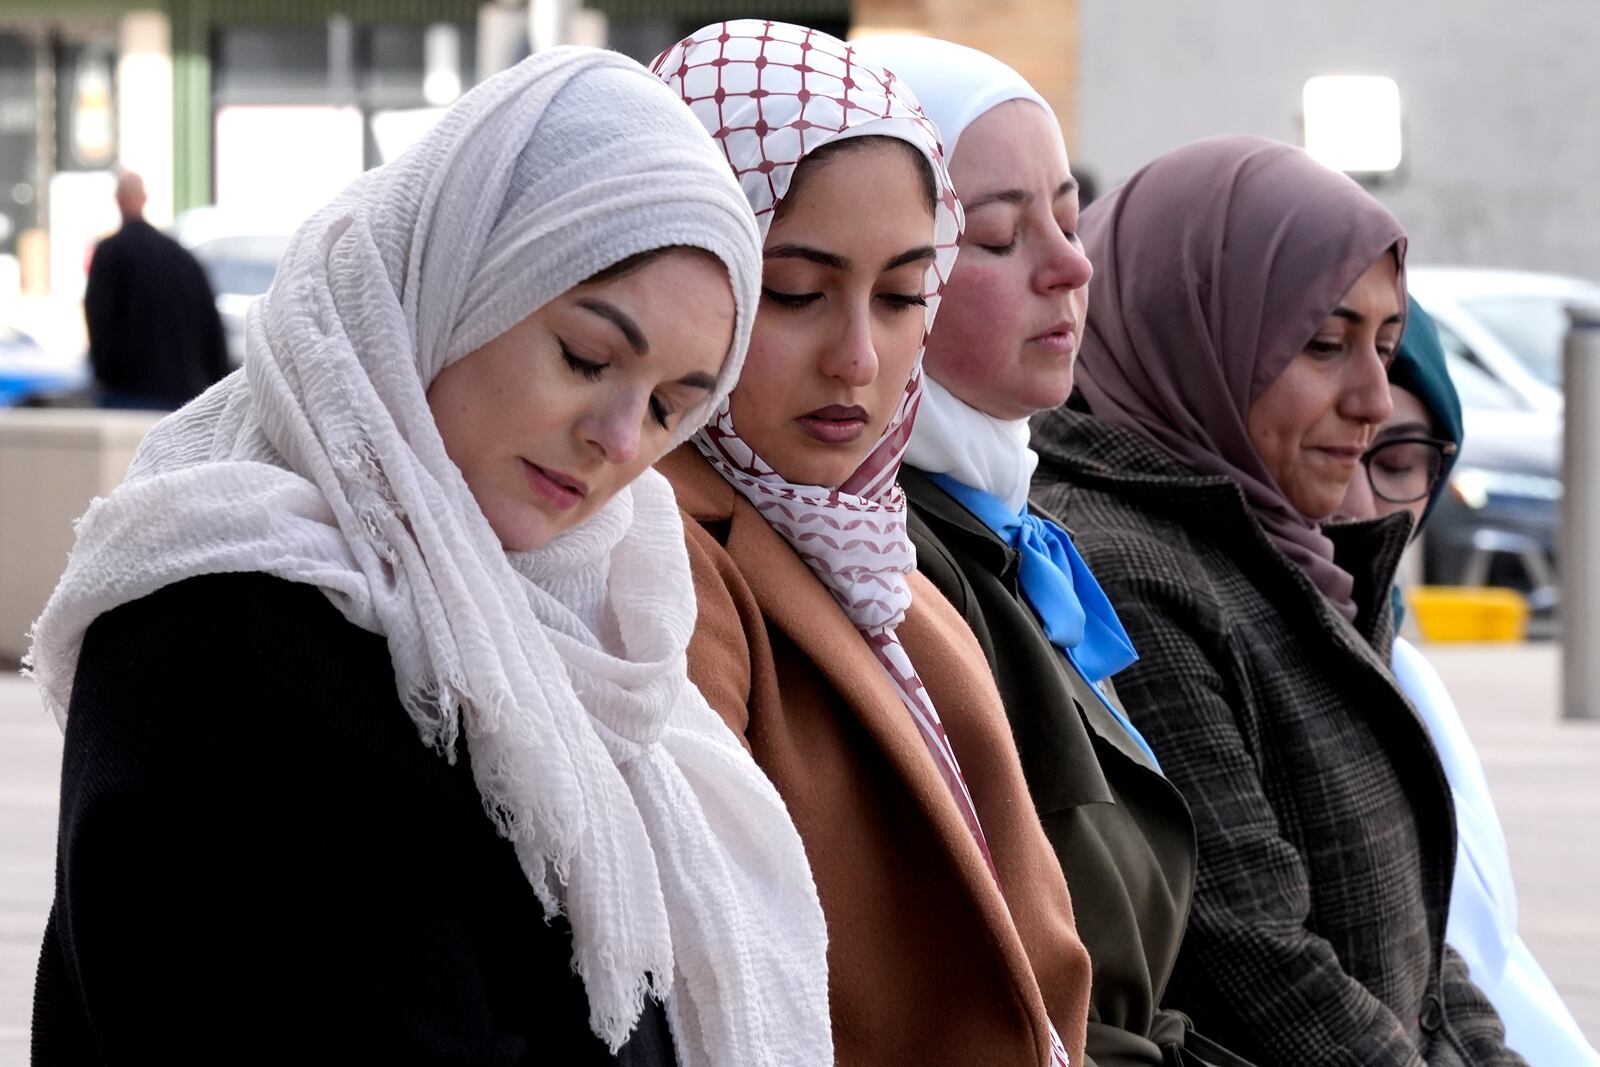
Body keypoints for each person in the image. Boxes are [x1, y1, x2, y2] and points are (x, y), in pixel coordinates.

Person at [27, 48, 831, 1065]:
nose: (623, 439)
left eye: (675, 403)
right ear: (453, 282)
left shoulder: (596, 626)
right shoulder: (227, 634)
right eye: (587, 356)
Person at [1030, 135, 1526, 1066]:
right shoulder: (1127, 572)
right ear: (1193, 332)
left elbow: (1417, 947)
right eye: (1325, 345)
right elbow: (1257, 962)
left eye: (1385, 346)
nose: (1375, 399)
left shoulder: (1294, 549)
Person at [653, 21, 1092, 1067]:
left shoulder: (863, 542)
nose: (858, 357)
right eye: (796, 293)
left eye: (904, 296)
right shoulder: (661, 556)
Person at [852, 36, 1255, 1067]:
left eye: (1069, 217)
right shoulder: (878, 552)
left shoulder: (1007, 524)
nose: (1072, 264)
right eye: (995, 237)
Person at [1338, 299, 1600, 1067]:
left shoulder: (1397, 662)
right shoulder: (1171, 617)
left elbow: (1467, 957)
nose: (1357, 503)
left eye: (1395, 464)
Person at [83, 170, 229, 409]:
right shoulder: (181, 258)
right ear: (144, 198)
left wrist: (105, 375)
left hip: (127, 393)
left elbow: (100, 322)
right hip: (182, 393)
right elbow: (211, 331)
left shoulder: (110, 254)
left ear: (118, 201)